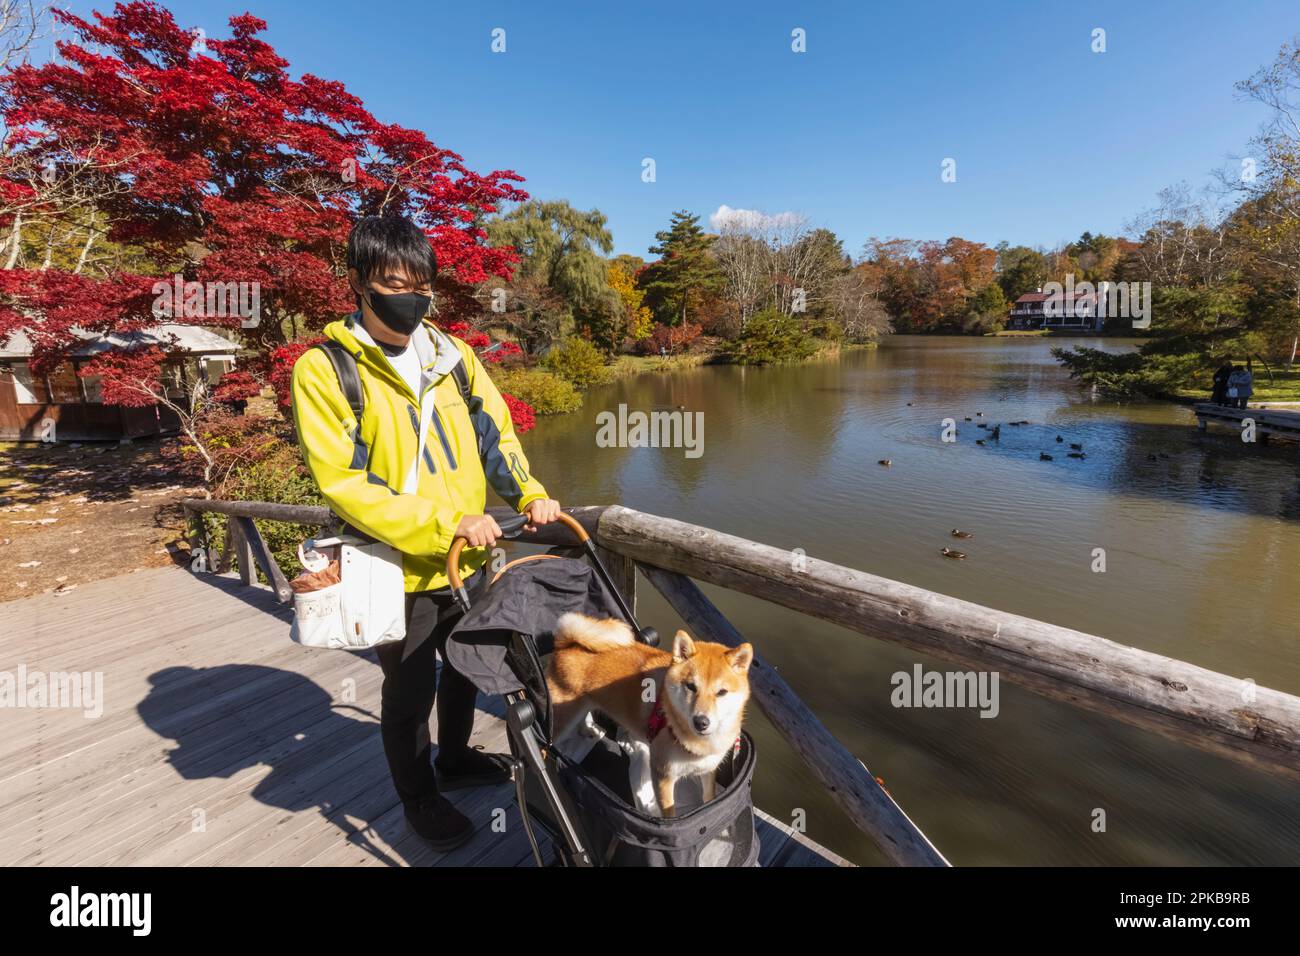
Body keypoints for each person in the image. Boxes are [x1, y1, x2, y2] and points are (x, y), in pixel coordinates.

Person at [290, 216, 561, 851]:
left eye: (420, 285)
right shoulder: (325, 370)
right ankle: (419, 799)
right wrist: (445, 523)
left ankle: (457, 758)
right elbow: (344, 484)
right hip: (396, 567)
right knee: (409, 692)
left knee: (467, 668)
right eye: (392, 282)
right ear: (359, 282)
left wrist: (530, 493)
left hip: (470, 560)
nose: (409, 297)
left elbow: (496, 434)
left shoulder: (454, 357)